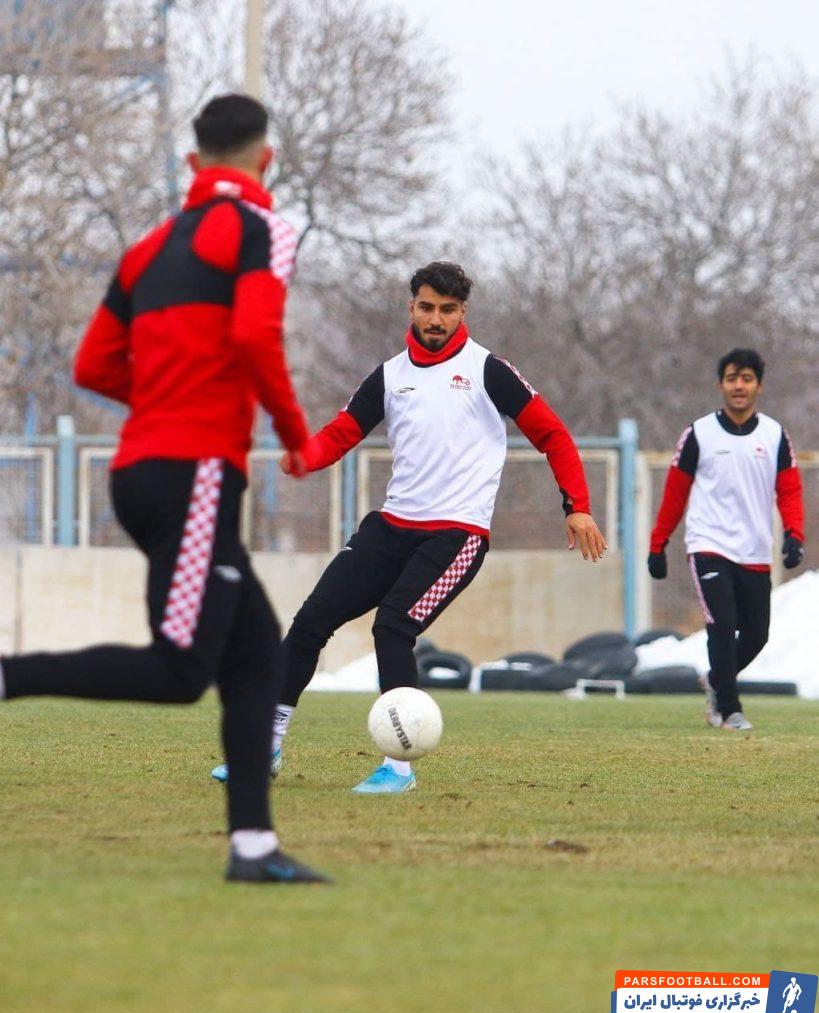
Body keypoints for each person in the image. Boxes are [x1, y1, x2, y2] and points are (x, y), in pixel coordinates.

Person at [0, 94, 328, 883]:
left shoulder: (144, 251)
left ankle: (253, 848)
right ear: (265, 160)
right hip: (195, 473)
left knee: (256, 656)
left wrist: (162, 398)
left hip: (145, 472)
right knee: (181, 672)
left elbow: (92, 366)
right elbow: (254, 333)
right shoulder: (263, 229)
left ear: (192, 161)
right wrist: (293, 434)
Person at [212, 260, 607, 793]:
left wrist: (576, 506)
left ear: (463, 311)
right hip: (392, 527)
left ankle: (398, 768)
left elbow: (554, 436)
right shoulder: (390, 375)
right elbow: (343, 431)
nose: (435, 319)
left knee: (393, 628)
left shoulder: (489, 370)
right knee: (309, 624)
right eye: (426, 307)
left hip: (458, 535)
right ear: (411, 307)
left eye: (447, 309)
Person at [647, 348, 804, 731]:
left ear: (759, 386)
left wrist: (794, 534)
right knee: (722, 623)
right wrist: (658, 544)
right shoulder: (699, 433)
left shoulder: (774, 435)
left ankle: (717, 678)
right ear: (721, 384)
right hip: (709, 544)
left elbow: (789, 490)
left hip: (755, 551)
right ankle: (729, 710)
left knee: (757, 635)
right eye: (732, 378)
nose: (739, 386)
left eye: (747, 379)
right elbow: (675, 493)